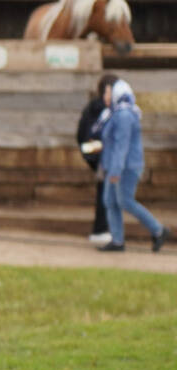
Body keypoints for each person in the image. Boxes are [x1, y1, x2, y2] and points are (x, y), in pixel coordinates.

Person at [96, 75, 169, 253]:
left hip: (126, 167)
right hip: (114, 165)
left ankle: (158, 230)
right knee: (110, 201)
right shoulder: (113, 113)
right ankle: (117, 240)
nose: (105, 95)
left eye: (107, 91)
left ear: (115, 93)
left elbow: (122, 145)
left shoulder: (124, 115)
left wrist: (115, 171)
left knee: (125, 201)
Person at [77, 75, 115, 246]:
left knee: (105, 190)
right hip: (98, 152)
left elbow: (81, 136)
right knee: (105, 190)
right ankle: (101, 229)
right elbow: (94, 136)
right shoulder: (102, 109)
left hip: (89, 150)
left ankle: (102, 229)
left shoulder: (93, 106)